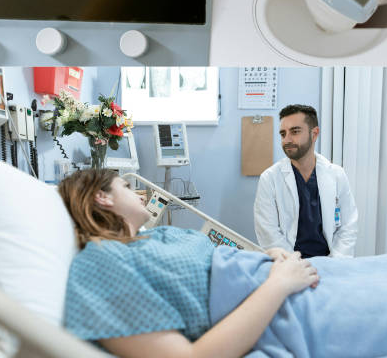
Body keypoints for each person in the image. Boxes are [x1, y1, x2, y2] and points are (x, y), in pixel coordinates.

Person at [59, 169, 318, 357]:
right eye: (125, 187)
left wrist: (266, 255)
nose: (139, 193)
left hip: (286, 275)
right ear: (102, 197)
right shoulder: (100, 263)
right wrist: (279, 284)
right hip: (287, 302)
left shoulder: (151, 236)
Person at [254, 105, 357, 258]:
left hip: (332, 262)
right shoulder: (269, 179)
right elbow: (268, 232)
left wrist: (335, 261)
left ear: (314, 133)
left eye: (295, 132)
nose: (287, 140)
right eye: (283, 134)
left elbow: (348, 226)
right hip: (289, 263)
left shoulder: (336, 175)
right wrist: (295, 264)